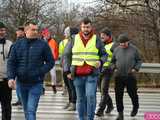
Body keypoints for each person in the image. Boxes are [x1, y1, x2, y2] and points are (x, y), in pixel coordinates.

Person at [7, 21, 54, 120]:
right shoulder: (17, 45)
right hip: (21, 83)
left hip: (36, 83)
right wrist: (11, 77)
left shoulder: (43, 45)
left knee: (31, 110)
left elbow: (51, 62)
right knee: (26, 110)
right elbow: (11, 63)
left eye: (37, 29)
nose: (36, 32)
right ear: (26, 31)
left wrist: (40, 71)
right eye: (33, 29)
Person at [63, 18, 108, 120]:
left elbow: (104, 55)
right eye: (84, 27)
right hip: (77, 74)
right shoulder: (74, 39)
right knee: (80, 99)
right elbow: (66, 55)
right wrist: (67, 71)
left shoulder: (96, 39)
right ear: (81, 27)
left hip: (92, 74)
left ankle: (90, 118)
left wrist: (100, 61)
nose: (86, 29)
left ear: (91, 27)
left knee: (90, 96)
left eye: (87, 27)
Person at [111, 33, 142, 120]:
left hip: (130, 76)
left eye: (124, 43)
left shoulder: (134, 49)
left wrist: (135, 69)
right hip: (119, 76)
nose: (122, 44)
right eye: (121, 43)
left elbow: (139, 61)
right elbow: (112, 61)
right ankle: (120, 114)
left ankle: (135, 106)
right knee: (118, 95)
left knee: (132, 93)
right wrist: (114, 68)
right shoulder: (116, 50)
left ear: (128, 41)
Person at [95, 27, 114, 117]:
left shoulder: (114, 45)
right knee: (102, 91)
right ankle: (110, 105)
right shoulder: (100, 44)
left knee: (104, 90)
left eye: (103, 35)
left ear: (108, 36)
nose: (101, 36)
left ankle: (100, 110)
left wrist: (112, 66)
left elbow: (116, 58)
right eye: (101, 35)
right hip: (99, 70)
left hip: (108, 70)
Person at [62, 27, 79, 111]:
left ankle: (73, 103)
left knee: (72, 87)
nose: (64, 34)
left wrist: (71, 69)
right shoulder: (69, 41)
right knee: (69, 86)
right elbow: (65, 54)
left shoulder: (74, 40)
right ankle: (70, 101)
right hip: (66, 67)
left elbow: (71, 55)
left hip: (70, 68)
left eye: (66, 32)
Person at [0, 21, 12, 120]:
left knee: (6, 106)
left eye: (3, 30)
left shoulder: (9, 44)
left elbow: (13, 62)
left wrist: (12, 77)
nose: (2, 32)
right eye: (0, 30)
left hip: (5, 80)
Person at [41, 28, 59, 94]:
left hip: (51, 60)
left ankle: (53, 85)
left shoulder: (53, 41)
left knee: (53, 75)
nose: (47, 35)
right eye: (46, 34)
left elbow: (56, 50)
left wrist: (55, 57)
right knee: (42, 74)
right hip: (43, 61)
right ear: (43, 35)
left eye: (48, 34)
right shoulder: (41, 42)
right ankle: (42, 88)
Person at [12, 26, 25, 106]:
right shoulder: (17, 40)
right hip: (16, 65)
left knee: (21, 84)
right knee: (18, 84)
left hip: (21, 65)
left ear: (23, 32)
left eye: (19, 31)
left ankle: (22, 99)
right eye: (17, 31)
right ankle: (20, 99)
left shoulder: (24, 40)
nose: (17, 32)